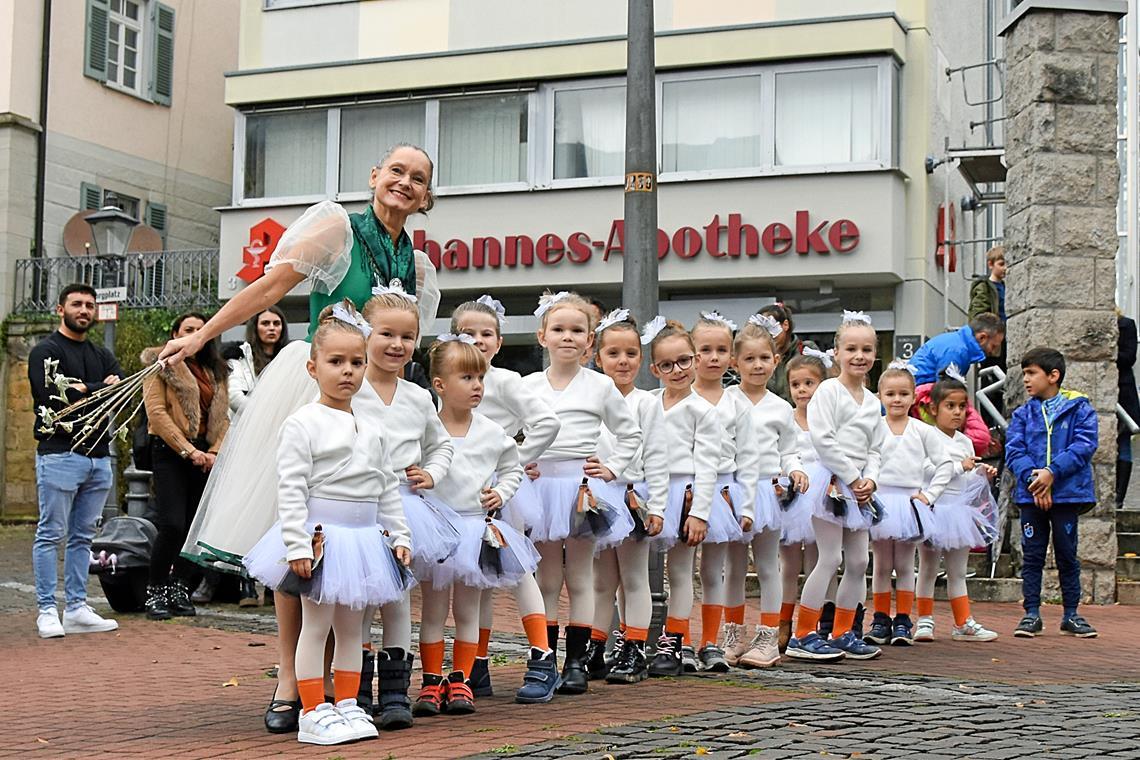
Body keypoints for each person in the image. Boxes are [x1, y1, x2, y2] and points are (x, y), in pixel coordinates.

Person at [157, 144, 439, 735]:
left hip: (375, 402)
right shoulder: (337, 228)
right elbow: (268, 287)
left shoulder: (415, 258)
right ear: (374, 176)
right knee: (303, 541)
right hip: (317, 390)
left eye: (418, 178)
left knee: (357, 546)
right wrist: (201, 335)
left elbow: (403, 337)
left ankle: (344, 687)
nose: (405, 184)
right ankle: (290, 680)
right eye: (396, 171)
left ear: (427, 195)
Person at [242, 302, 410, 746]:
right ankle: (313, 708)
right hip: (321, 539)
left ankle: (349, 702)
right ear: (313, 368)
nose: (348, 372)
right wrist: (296, 544)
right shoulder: (302, 423)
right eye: (336, 362)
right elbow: (291, 489)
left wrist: (400, 536)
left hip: (363, 539)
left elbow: (386, 488)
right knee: (315, 626)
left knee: (354, 628)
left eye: (357, 362)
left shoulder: (372, 429)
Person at [519, 291, 640, 694]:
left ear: (589, 341)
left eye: (576, 330)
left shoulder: (600, 386)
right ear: (542, 336)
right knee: (547, 576)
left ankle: (577, 661)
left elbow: (629, 432)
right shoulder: (528, 385)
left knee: (581, 576)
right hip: (540, 487)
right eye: (558, 329)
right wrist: (520, 459)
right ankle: (544, 659)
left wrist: (614, 468)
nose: (567, 337)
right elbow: (498, 429)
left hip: (581, 489)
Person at [414, 337, 541, 715]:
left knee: (468, 610)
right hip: (437, 529)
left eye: (480, 378)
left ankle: (462, 680)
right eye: (467, 377)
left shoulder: (491, 431)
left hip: (473, 529)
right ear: (440, 385)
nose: (477, 386)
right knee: (433, 610)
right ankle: (432, 680)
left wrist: (501, 494)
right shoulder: (426, 430)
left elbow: (512, 467)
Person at [353, 288, 459, 729]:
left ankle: (395, 691)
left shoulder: (417, 397)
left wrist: (432, 473)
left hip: (403, 504)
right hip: (358, 506)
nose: (397, 345)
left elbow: (441, 444)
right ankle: (354, 690)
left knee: (397, 599)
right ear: (365, 334)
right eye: (386, 334)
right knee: (356, 602)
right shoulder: (349, 387)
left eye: (407, 336)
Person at [451, 295, 562, 703]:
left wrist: (516, 459)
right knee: (475, 574)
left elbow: (547, 422)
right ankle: (476, 664)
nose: (478, 340)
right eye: (468, 333)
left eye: (487, 334)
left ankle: (543, 656)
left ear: (498, 343)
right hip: (463, 490)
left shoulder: (505, 382)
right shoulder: (449, 383)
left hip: (503, 488)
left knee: (516, 569)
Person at [785, 311, 885, 662]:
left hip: (859, 488)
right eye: (852, 348)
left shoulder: (873, 401)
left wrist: (870, 478)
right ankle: (803, 632)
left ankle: (844, 630)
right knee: (830, 556)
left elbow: (876, 447)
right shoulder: (829, 390)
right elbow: (823, 439)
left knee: (858, 560)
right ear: (838, 352)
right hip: (831, 484)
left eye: (867, 349)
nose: (860, 356)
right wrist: (853, 477)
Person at [29, 283, 122, 638]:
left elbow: (120, 390)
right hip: (59, 454)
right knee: (51, 533)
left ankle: (78, 608)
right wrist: (98, 388)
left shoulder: (100, 353)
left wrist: (87, 388)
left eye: (89, 305)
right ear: (60, 309)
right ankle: (47, 610)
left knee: (83, 536)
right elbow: (54, 398)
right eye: (77, 304)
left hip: (99, 458)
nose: (84, 310)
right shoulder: (45, 352)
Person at [586, 310, 670, 684]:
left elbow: (656, 457)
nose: (623, 362)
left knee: (635, 576)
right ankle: (595, 646)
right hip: (598, 499)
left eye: (631, 354)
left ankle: (634, 648)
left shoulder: (647, 403)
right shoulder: (591, 398)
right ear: (598, 357)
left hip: (634, 497)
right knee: (601, 580)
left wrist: (660, 506)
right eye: (614, 354)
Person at [722, 315, 808, 669]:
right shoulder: (725, 400)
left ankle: (768, 636)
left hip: (766, 491)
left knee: (768, 565)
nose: (757, 365)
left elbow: (789, 449)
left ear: (776, 360)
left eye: (764, 358)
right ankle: (730, 635)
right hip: (732, 490)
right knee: (733, 566)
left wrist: (796, 469)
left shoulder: (780, 407)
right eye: (749, 359)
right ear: (735, 362)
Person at [641, 318, 721, 676]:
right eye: (668, 365)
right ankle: (634, 638)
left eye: (684, 361)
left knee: (680, 572)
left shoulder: (703, 411)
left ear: (695, 361)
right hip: (648, 489)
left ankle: (673, 642)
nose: (678, 370)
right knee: (637, 571)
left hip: (684, 493)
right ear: (655, 369)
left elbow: (708, 465)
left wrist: (699, 512)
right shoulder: (647, 403)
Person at [141, 312, 229, 621]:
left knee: (196, 527)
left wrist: (214, 451)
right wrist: (188, 450)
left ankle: (180, 587)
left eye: (201, 329)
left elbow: (223, 417)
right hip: (171, 451)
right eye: (188, 329)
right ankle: (156, 589)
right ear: (176, 333)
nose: (195, 333)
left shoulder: (215, 370)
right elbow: (156, 414)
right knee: (173, 524)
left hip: (206, 456)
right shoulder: (160, 363)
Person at [1006, 347, 1099, 639]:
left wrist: (1052, 473)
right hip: (1032, 494)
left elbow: (1084, 446)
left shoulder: (1080, 408)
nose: (1026, 380)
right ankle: (1031, 613)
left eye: (1031, 373)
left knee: (1067, 554)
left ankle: (1071, 613)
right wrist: (1036, 479)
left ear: (1053, 375)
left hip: (1067, 495)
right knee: (1032, 555)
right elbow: (1014, 450)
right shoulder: (1023, 414)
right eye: (1024, 374)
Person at [866, 362, 952, 646]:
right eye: (890, 394)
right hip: (879, 501)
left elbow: (945, 465)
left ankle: (903, 619)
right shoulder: (874, 428)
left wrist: (930, 495)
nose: (897, 399)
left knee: (904, 564)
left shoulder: (922, 430)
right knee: (880, 564)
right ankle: (880, 619)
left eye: (903, 394)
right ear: (880, 396)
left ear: (914, 396)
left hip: (909, 502)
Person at [689, 313, 755, 673]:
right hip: (682, 489)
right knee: (680, 570)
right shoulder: (677, 397)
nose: (713, 357)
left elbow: (749, 457)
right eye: (705, 350)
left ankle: (710, 641)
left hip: (722, 490)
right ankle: (677, 638)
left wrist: (746, 504)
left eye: (721, 350)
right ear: (693, 355)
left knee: (713, 570)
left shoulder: (737, 404)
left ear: (731, 358)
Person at [914, 372, 1000, 643]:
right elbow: (925, 471)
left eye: (962, 407)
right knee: (927, 566)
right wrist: (956, 467)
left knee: (958, 571)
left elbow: (966, 479)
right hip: (934, 508)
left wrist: (980, 474)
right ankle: (924, 620)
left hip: (959, 511)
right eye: (950, 406)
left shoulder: (964, 442)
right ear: (933, 408)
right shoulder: (927, 437)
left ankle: (962, 622)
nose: (957, 413)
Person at [777, 354, 832, 651]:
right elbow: (780, 452)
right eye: (795, 384)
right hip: (793, 495)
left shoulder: (827, 420)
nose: (802, 390)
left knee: (817, 560)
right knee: (788, 564)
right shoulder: (786, 418)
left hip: (821, 495)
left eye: (809, 383)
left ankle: (812, 623)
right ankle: (782, 622)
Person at [909, 313, 1005, 386]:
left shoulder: (956, 343)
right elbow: (946, 391)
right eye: (993, 346)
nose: (992, 352)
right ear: (982, 338)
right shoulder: (958, 352)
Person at [227, 305, 289, 417]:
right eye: (265, 323)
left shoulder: (290, 358)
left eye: (276, 323)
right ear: (255, 327)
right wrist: (264, 415)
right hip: (247, 426)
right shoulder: (240, 357)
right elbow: (234, 397)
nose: (272, 328)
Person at [756, 303, 819, 404]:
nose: (768, 334)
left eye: (770, 327)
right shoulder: (759, 358)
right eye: (762, 330)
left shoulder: (807, 350)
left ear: (785, 325)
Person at [1117, 311, 1139, 508]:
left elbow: (1128, 357)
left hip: (1123, 392)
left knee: (1123, 442)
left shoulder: (1126, 324)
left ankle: (1119, 497)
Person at [968, 246, 1007, 322]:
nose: (1005, 268)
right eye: (1001, 264)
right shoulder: (983, 286)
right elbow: (978, 314)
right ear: (990, 265)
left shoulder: (1005, 286)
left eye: (1007, 264)